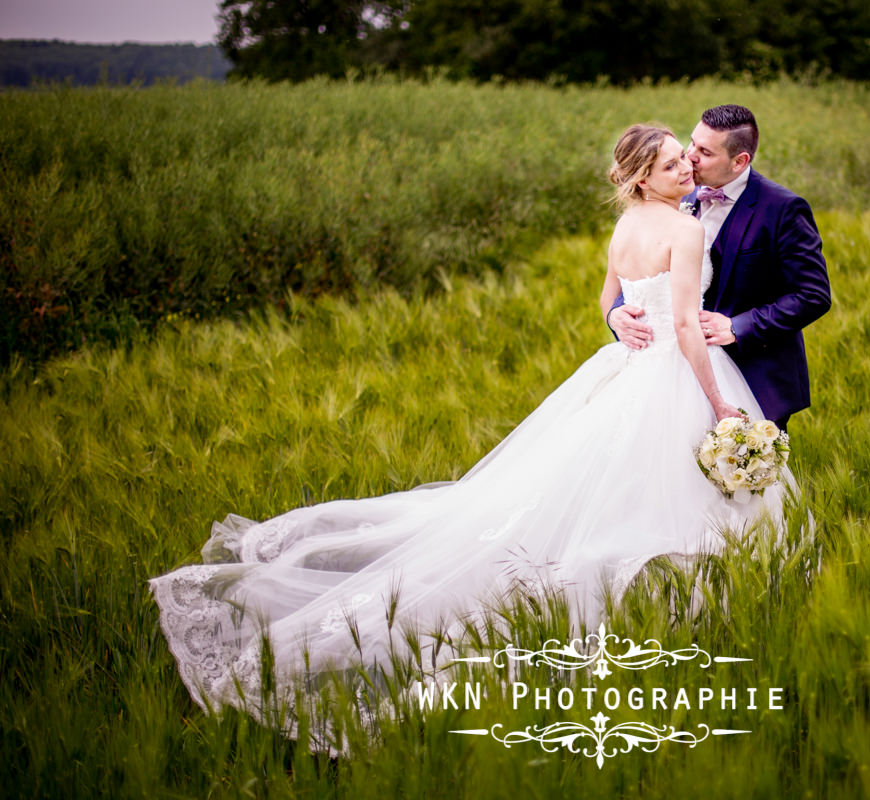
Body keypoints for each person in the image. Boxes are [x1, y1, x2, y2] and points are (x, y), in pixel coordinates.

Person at [149, 124, 792, 744]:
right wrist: (720, 406)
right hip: (673, 373)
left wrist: (619, 321)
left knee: (598, 492)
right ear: (645, 179)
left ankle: (653, 600)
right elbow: (683, 326)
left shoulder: (625, 226)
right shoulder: (681, 227)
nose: (687, 169)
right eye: (674, 163)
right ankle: (669, 612)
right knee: (655, 494)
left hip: (624, 370)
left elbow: (610, 300)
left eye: (688, 158)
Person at [607, 105, 831, 430]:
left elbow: (813, 295)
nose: (690, 158)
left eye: (705, 152)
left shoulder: (783, 209)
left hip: (754, 371)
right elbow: (645, 274)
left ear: (739, 161)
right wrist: (616, 313)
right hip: (673, 374)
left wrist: (738, 327)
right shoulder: (677, 189)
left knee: (740, 476)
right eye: (692, 144)